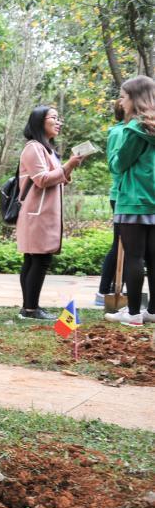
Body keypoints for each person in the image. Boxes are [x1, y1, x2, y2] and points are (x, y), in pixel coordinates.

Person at [15, 106, 85, 320]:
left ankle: (29, 307)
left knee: (34, 259)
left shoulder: (46, 149)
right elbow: (42, 179)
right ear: (39, 122)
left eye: (58, 118)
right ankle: (30, 308)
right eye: (53, 118)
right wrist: (68, 165)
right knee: (39, 259)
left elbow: (56, 176)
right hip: (37, 214)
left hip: (42, 214)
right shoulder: (33, 148)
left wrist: (69, 166)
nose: (58, 122)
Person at [105, 76, 155, 326]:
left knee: (134, 256)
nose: (121, 102)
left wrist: (113, 155)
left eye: (124, 97)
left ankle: (133, 313)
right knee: (154, 257)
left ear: (135, 99)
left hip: (134, 199)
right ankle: (152, 311)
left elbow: (118, 165)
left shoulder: (134, 130)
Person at [94, 100, 129, 306]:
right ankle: (103, 291)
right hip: (121, 194)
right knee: (119, 244)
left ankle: (119, 288)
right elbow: (116, 166)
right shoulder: (119, 132)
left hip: (128, 194)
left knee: (128, 247)